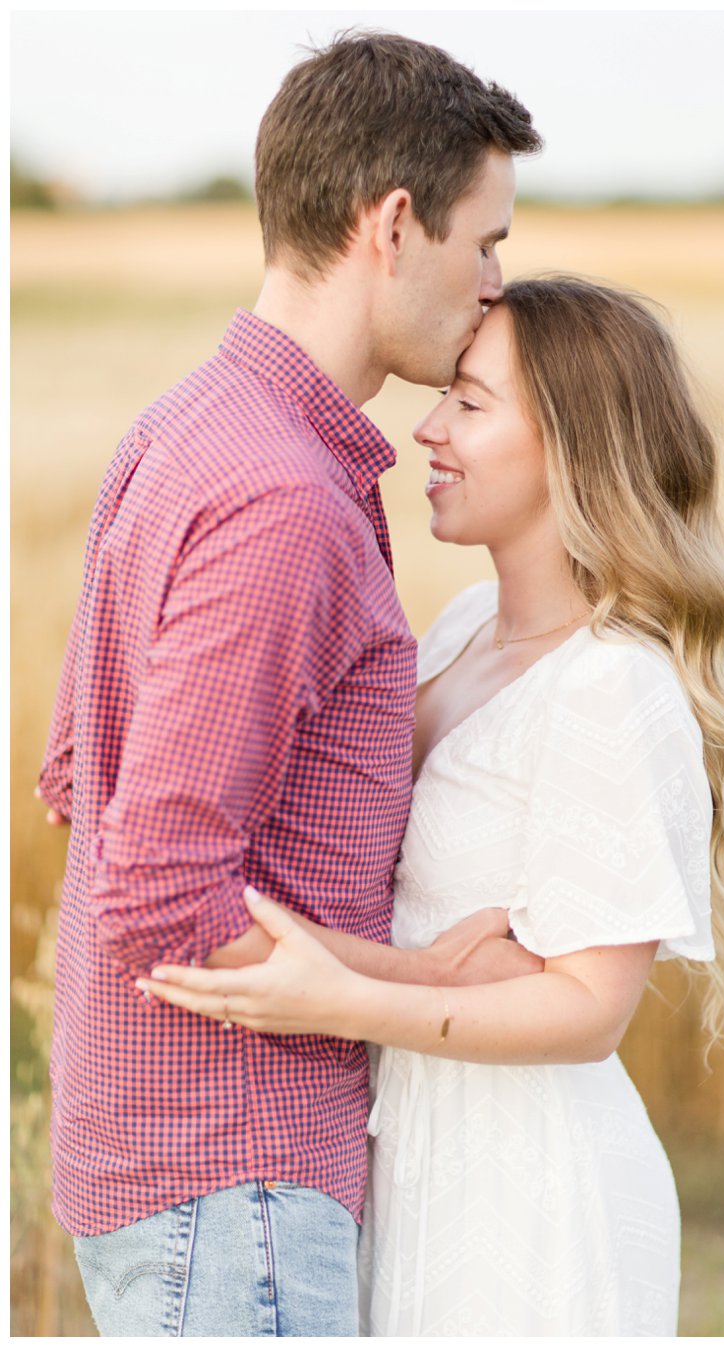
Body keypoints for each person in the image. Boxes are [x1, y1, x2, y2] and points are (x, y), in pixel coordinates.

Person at [139, 276, 724, 1336]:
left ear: (575, 446)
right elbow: (429, 934)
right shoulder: (465, 626)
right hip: (421, 1144)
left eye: (471, 406)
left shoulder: (610, 684)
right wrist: (419, 973)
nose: (427, 429)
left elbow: (589, 1012)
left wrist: (341, 1001)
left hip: (529, 1186)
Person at [37, 32, 542, 1337]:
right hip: (234, 1166)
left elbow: (75, 774)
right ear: (392, 223)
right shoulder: (282, 498)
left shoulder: (185, 426)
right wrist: (422, 976)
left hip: (171, 1163)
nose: (495, 286)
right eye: (484, 242)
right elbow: (157, 886)